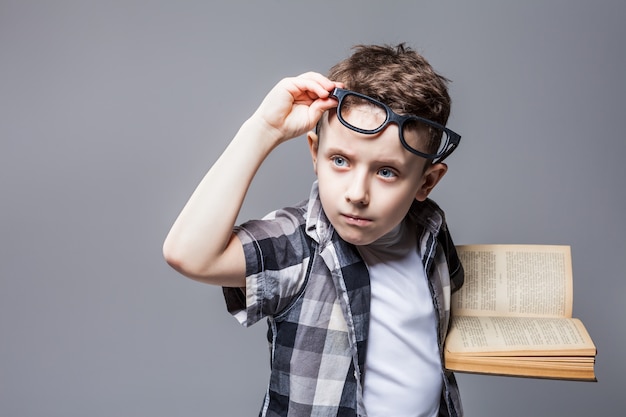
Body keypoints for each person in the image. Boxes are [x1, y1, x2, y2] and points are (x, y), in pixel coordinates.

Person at [163, 44, 464, 417]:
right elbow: (187, 253)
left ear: (426, 182)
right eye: (340, 160)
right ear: (314, 154)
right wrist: (264, 130)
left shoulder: (430, 231)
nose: (357, 194)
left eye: (387, 172)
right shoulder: (299, 246)